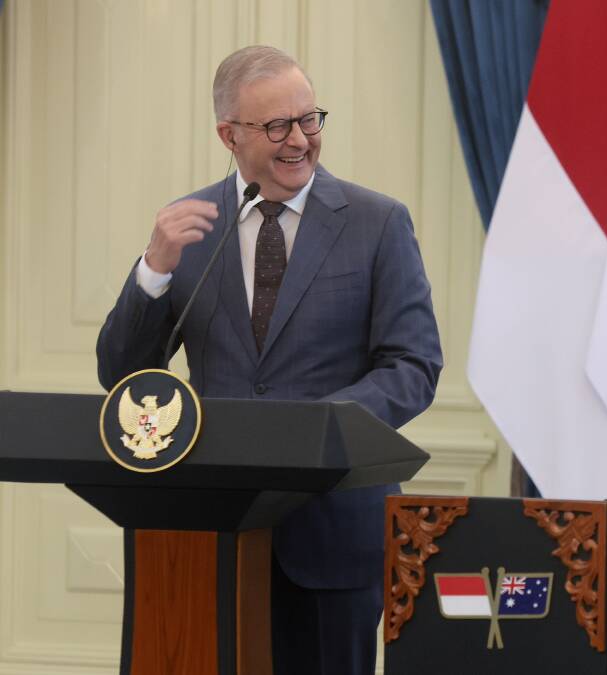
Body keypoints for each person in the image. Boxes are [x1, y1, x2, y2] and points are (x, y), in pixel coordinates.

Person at [96, 45, 442, 674]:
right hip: (206, 537)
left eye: (310, 120)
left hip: (333, 535)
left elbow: (413, 366)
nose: (299, 141)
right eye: (276, 126)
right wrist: (153, 270)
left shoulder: (377, 222)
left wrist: (318, 431)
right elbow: (123, 375)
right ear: (229, 134)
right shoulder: (190, 228)